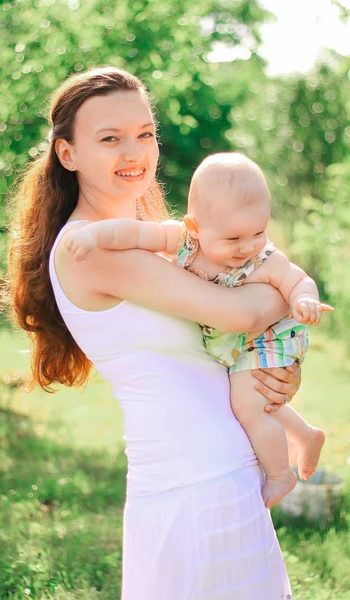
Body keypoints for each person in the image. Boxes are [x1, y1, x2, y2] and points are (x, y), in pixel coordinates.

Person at [0, 66, 303, 599]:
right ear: (68, 154)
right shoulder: (90, 248)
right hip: (194, 487)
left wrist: (277, 375)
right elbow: (241, 312)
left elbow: (222, 344)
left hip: (220, 475)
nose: (133, 151)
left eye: (144, 134)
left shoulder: (155, 242)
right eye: (110, 138)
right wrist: (292, 286)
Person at [64, 152, 330, 509]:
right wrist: (95, 235)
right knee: (252, 396)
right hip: (235, 341)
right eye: (233, 238)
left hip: (272, 335)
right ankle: (305, 435)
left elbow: (297, 280)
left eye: (259, 232)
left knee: (248, 404)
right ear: (194, 228)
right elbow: (137, 232)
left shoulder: (264, 258)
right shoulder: (183, 242)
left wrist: (304, 301)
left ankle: (281, 474)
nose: (248, 247)